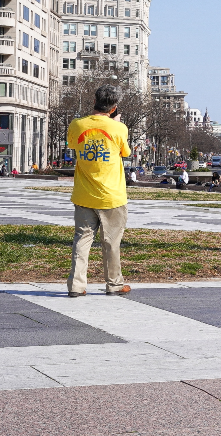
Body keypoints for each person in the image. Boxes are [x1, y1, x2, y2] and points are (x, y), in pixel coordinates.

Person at [66, 84, 133, 298]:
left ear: (94, 101)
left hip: (84, 194)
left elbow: (73, 145)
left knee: (82, 240)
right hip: (112, 196)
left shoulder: (77, 125)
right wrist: (115, 124)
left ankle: (76, 285)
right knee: (111, 242)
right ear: (113, 108)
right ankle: (114, 284)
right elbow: (125, 152)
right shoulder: (119, 128)